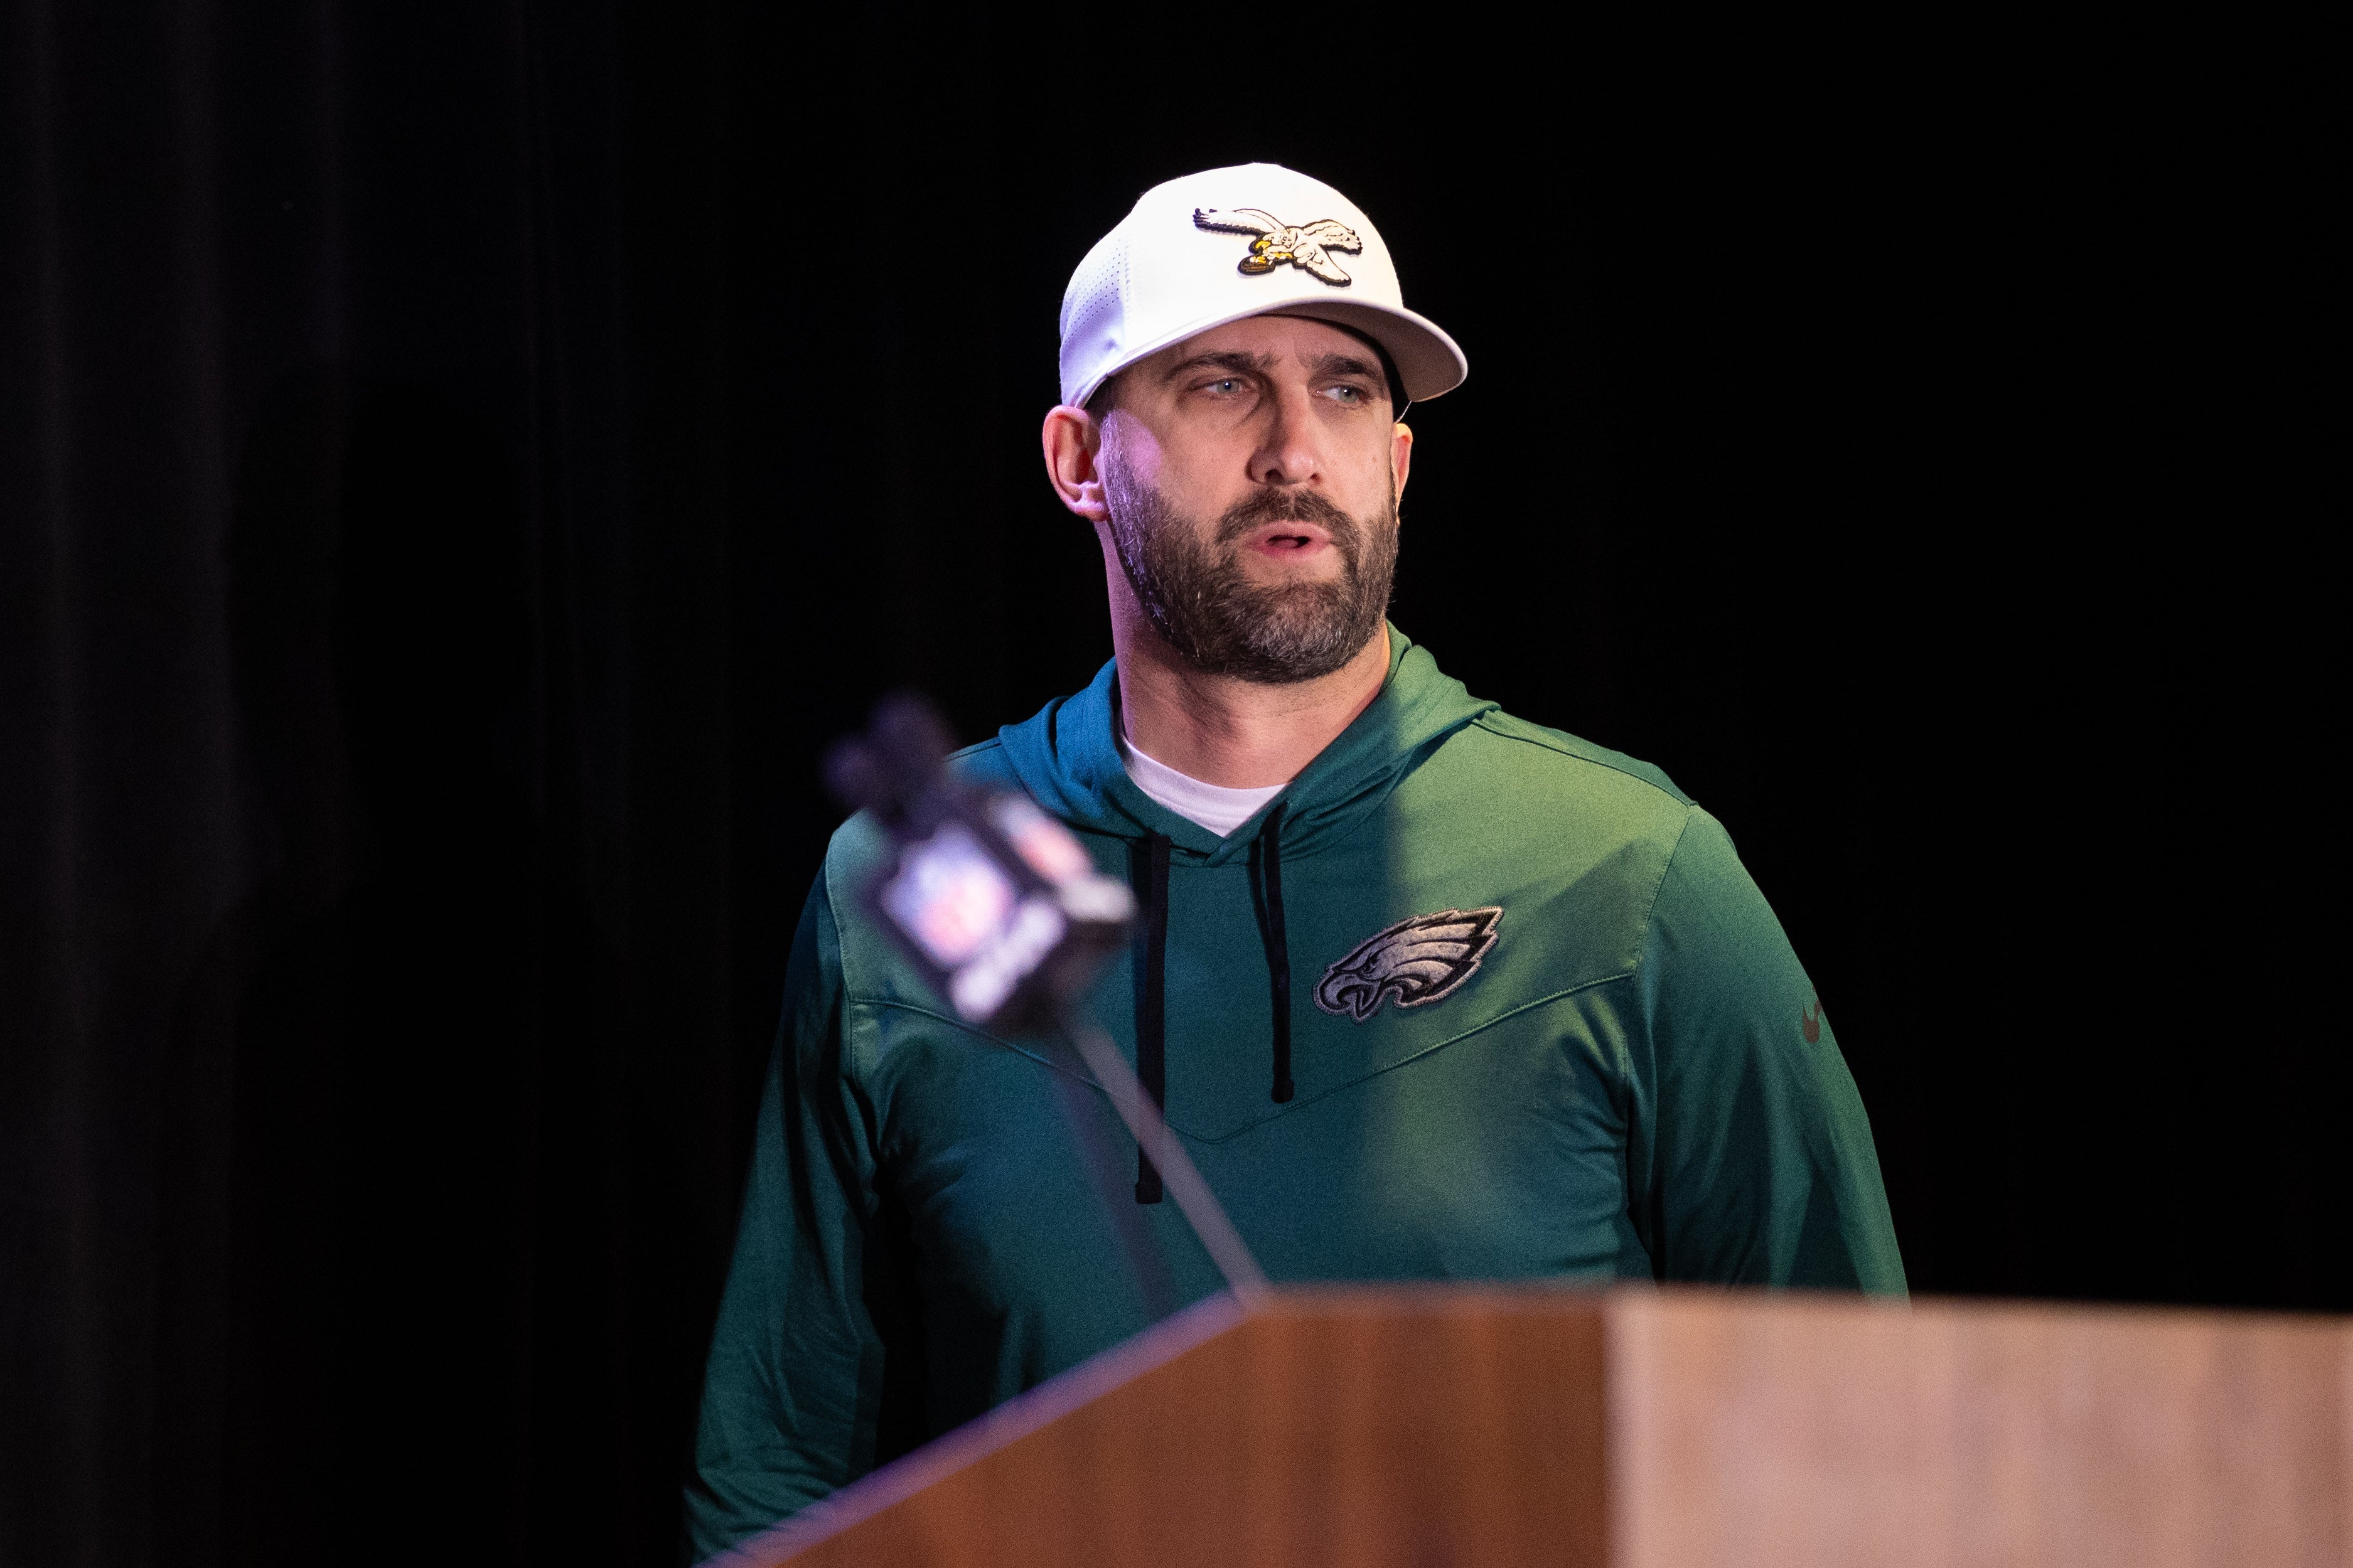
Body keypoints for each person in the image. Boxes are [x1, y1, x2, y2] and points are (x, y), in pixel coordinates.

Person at [682, 163, 1904, 1555]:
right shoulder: (911, 893)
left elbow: (1853, 1434)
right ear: (1080, 460)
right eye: (1220, 384)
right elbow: (775, 1478)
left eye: (1346, 390)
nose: (1294, 450)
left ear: (1397, 459)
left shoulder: (1634, 869)